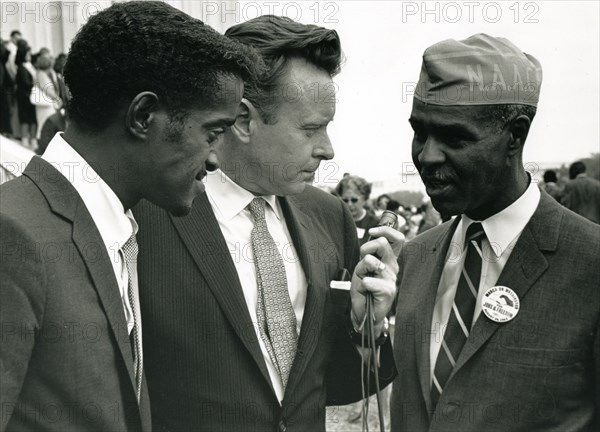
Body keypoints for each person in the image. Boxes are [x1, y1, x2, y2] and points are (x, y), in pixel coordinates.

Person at [0, 2, 260, 431]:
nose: (216, 159)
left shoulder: (117, 230)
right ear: (143, 116)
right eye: (212, 132)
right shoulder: (15, 233)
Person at [133, 15, 400, 432]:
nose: (327, 150)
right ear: (242, 120)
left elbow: (333, 386)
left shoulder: (330, 218)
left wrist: (367, 327)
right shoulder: (145, 218)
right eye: (311, 128)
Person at [391, 34, 599, 431]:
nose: (427, 156)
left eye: (454, 138)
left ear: (515, 135)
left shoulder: (591, 264)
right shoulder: (415, 257)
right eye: (420, 132)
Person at [335, 175, 380, 245]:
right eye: (345, 200)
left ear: (364, 199)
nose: (349, 204)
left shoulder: (376, 223)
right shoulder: (336, 222)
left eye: (354, 200)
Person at [14, 40, 37, 150]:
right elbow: (26, 83)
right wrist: (36, 84)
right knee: (25, 118)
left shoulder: (30, 66)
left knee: (32, 119)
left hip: (30, 96)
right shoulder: (22, 68)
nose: (29, 55)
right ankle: (25, 139)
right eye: (27, 53)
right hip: (24, 97)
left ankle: (32, 139)